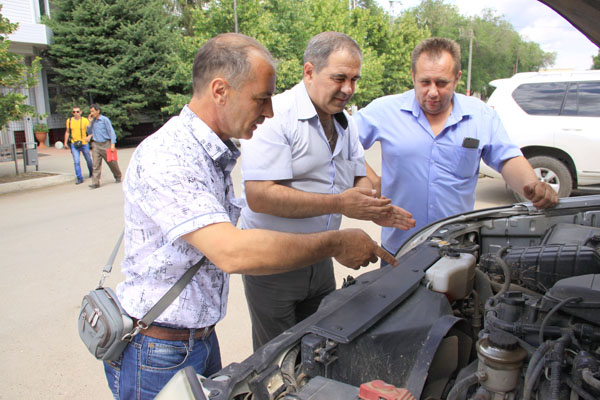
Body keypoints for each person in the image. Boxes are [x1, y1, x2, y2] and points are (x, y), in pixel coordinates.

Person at [104, 33, 397, 399]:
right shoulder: (169, 156)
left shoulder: (210, 152)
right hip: (158, 350)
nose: (269, 111)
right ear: (220, 90)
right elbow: (232, 252)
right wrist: (336, 241)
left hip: (195, 339)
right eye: (261, 99)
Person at [239, 31, 416, 351]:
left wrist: (372, 206)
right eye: (339, 78)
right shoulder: (276, 116)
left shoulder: (345, 122)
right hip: (273, 263)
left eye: (354, 80)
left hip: (321, 257)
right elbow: (260, 196)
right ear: (309, 72)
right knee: (276, 357)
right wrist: (340, 203)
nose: (348, 88)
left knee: (320, 348)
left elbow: (360, 176)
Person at [354, 37, 558, 257]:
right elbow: (342, 143)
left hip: (457, 250)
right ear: (413, 76)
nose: (433, 92)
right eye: (425, 82)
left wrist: (532, 185)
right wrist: (370, 181)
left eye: (442, 83)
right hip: (400, 249)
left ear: (457, 78)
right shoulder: (385, 111)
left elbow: (507, 158)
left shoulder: (481, 116)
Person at [87, 104, 122, 189]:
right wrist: (89, 123)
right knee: (95, 164)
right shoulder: (93, 121)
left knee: (112, 162)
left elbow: (111, 131)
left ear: (98, 111)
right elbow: (89, 132)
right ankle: (95, 183)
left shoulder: (104, 120)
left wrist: (112, 144)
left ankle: (117, 175)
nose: (91, 113)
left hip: (106, 144)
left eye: (93, 111)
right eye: (90, 112)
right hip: (96, 144)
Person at [63, 106, 93, 185]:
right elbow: (67, 132)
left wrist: (89, 136)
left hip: (84, 143)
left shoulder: (84, 120)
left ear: (80, 112)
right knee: (76, 161)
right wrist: (65, 142)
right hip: (74, 143)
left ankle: (92, 172)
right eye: (74, 112)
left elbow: (90, 130)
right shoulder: (69, 121)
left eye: (77, 111)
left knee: (88, 159)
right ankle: (79, 178)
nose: (75, 113)